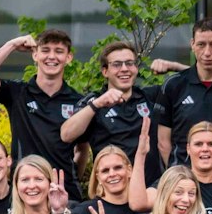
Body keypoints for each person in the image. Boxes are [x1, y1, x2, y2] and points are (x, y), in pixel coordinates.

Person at [0, 29, 85, 171]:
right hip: (25, 187)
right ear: (35, 55)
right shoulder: (17, 92)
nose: (52, 56)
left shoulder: (78, 101)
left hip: (63, 189)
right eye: (45, 50)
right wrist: (11, 45)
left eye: (59, 51)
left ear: (69, 57)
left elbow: (82, 149)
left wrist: (70, 179)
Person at [152, 16, 212, 173]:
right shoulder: (173, 85)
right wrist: (177, 173)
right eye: (201, 44)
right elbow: (163, 141)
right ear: (192, 45)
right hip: (184, 179)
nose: (207, 52)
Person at [61, 41, 161, 179]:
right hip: (111, 189)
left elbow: (199, 82)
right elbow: (66, 135)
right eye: (117, 64)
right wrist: (98, 103)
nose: (124, 68)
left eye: (129, 63)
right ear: (105, 71)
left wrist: (174, 66)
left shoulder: (151, 96)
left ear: (136, 68)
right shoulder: (94, 101)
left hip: (148, 191)